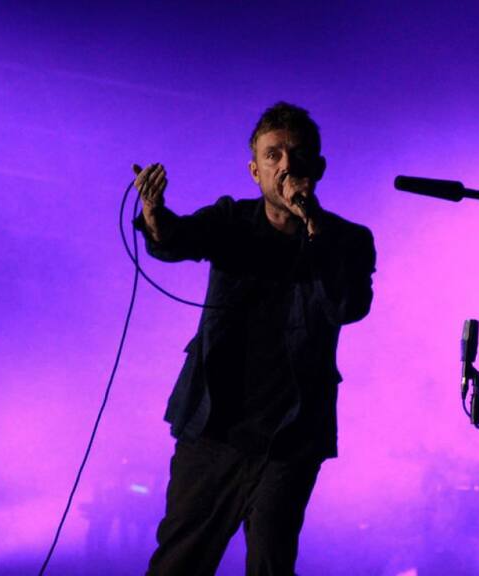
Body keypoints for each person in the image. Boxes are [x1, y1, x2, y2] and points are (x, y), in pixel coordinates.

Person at [133, 102, 376, 576]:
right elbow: (175, 239)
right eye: (273, 155)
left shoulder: (349, 240)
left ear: (318, 168)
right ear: (254, 170)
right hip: (213, 429)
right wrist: (154, 211)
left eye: (298, 155)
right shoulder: (231, 221)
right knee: (179, 562)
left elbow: (348, 307)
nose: (286, 165)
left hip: (291, 439)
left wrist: (315, 228)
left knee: (271, 564)